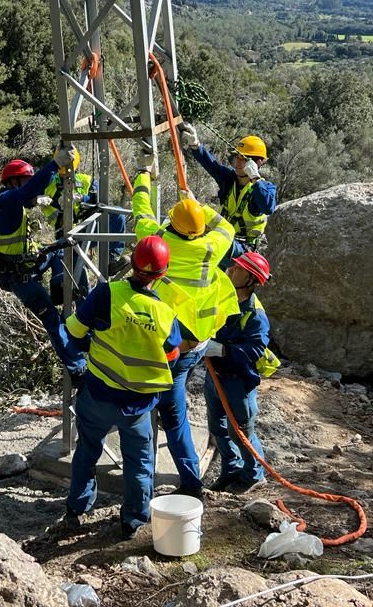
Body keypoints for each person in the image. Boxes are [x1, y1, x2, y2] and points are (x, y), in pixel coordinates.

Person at [62, 236, 184, 539]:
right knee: (140, 464)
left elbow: (74, 332)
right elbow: (172, 356)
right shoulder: (165, 314)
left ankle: (76, 510)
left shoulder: (106, 294)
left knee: (86, 451)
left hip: (98, 395)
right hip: (138, 406)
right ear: (163, 273)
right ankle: (133, 521)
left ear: (131, 263)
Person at [132, 156, 238, 497]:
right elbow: (226, 226)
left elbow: (141, 211)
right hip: (199, 343)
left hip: (168, 348)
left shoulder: (160, 240)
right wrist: (198, 206)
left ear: (174, 226)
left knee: (166, 417)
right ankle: (189, 482)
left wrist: (144, 176)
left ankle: (184, 485)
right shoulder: (212, 245)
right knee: (172, 414)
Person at [0, 147, 85, 377]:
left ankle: (63, 287)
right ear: (14, 183)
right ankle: (78, 370)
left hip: (28, 265)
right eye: (27, 183)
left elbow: (31, 191)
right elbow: (29, 190)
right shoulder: (5, 202)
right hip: (21, 279)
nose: (35, 191)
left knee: (60, 251)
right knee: (53, 321)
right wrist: (53, 164)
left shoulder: (14, 204)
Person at [205, 251, 277, 493]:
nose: (231, 270)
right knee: (217, 427)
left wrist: (222, 350)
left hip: (237, 383)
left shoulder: (255, 315)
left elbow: (255, 349)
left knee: (242, 433)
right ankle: (231, 468)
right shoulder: (223, 297)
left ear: (250, 280)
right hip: (214, 376)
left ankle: (253, 475)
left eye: (238, 269)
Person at [179, 124, 277, 268]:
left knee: (205, 244)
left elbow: (268, 207)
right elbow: (212, 165)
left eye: (243, 159)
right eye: (237, 157)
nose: (237, 163)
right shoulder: (230, 179)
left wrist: (255, 178)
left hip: (243, 250)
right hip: (223, 239)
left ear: (258, 162)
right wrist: (196, 146)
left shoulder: (264, 188)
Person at [40, 147, 128, 302]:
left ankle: (112, 259)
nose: (66, 175)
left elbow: (101, 201)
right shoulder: (49, 184)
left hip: (87, 228)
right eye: (62, 172)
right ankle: (80, 317)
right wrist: (51, 202)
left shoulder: (87, 180)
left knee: (117, 213)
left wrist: (83, 199)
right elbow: (30, 196)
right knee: (79, 287)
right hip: (67, 236)